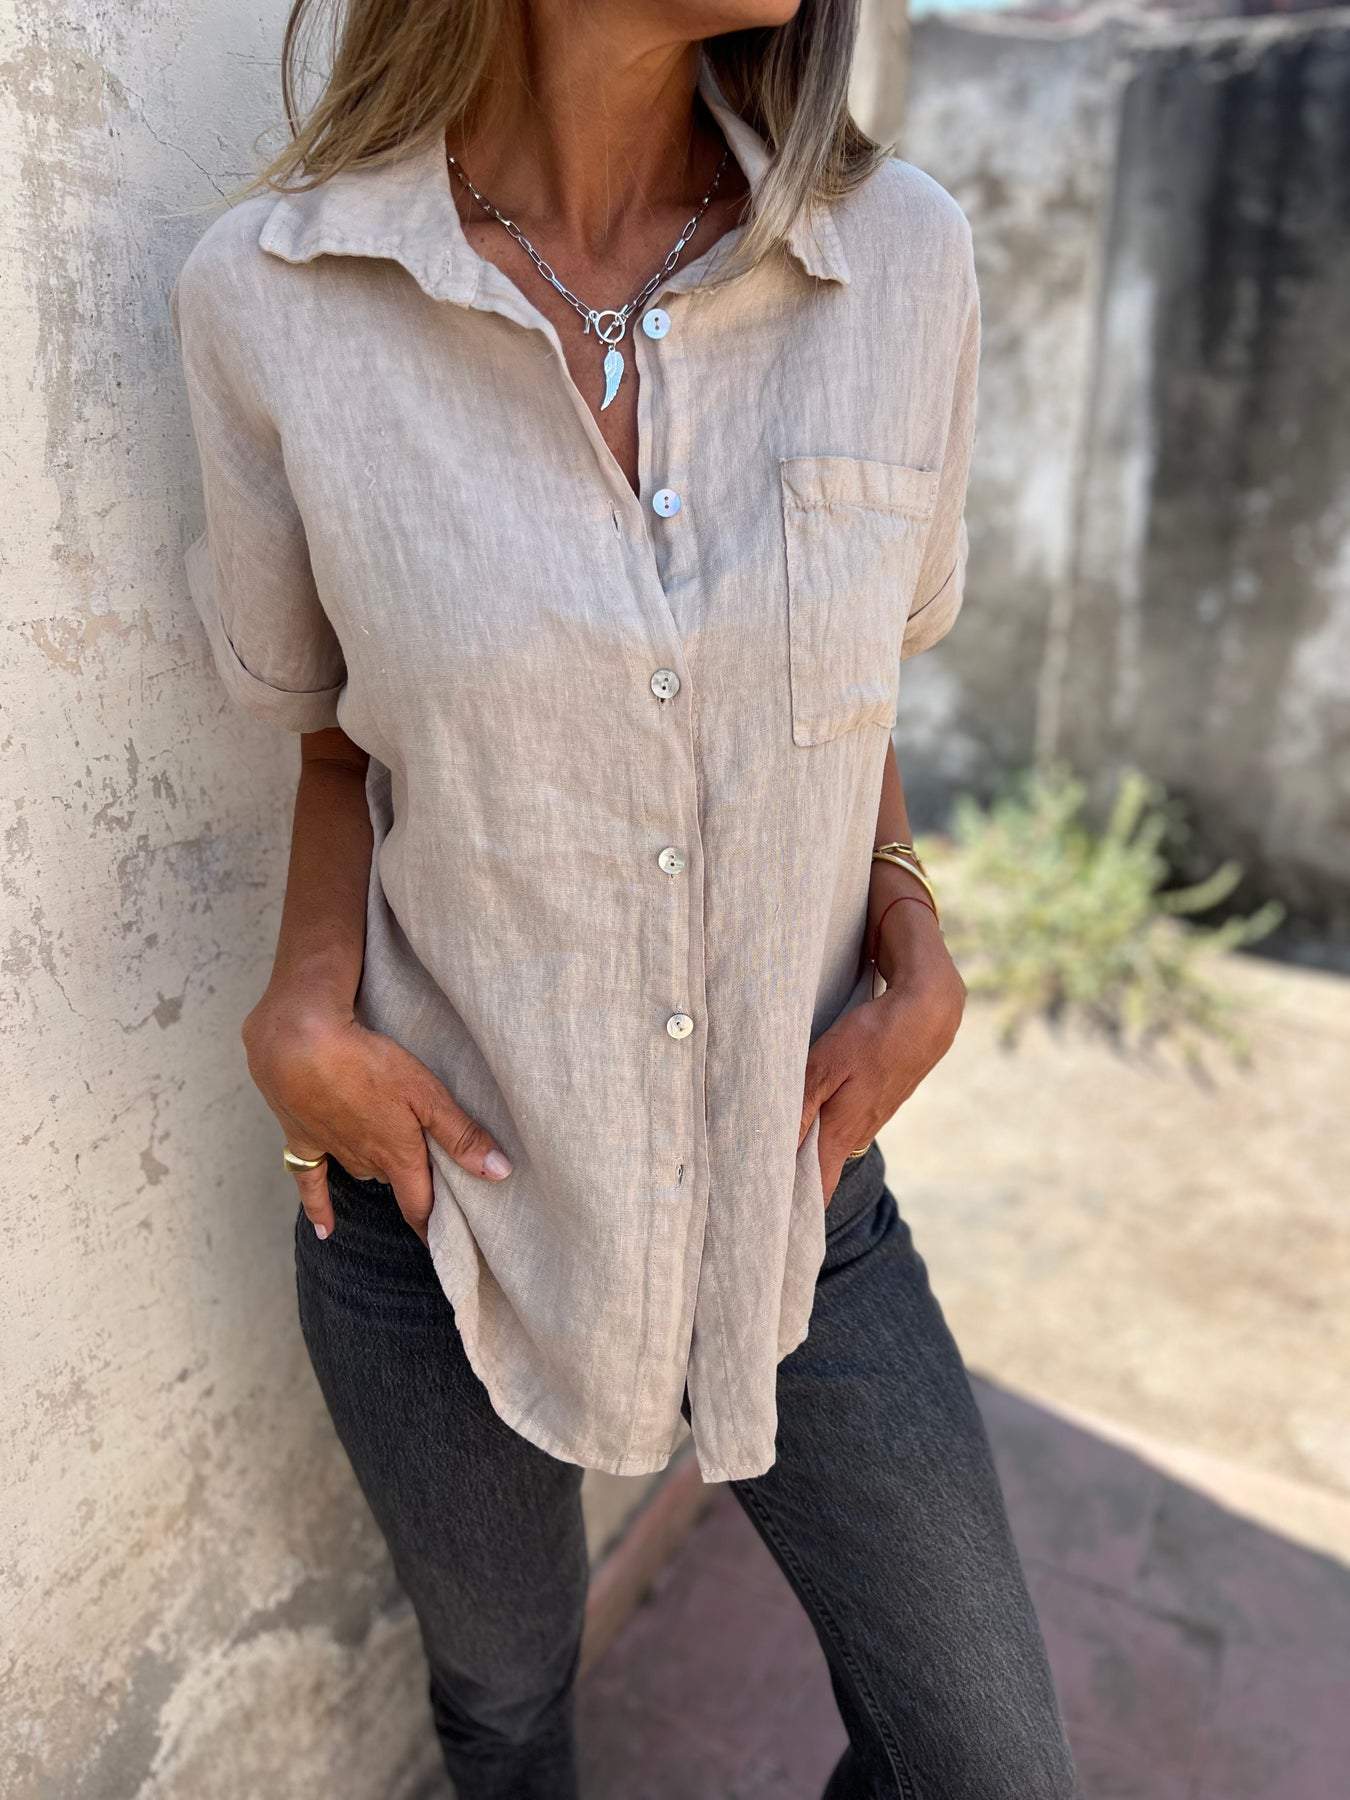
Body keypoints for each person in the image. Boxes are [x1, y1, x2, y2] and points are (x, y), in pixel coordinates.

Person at [170, 0, 1080, 1793]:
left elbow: (847, 688)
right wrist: (300, 1005)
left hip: (794, 1179)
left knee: (983, 1762)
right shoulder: (274, 296)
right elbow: (335, 738)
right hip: (442, 1199)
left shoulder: (896, 262)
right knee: (506, 1704)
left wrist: (910, 925)